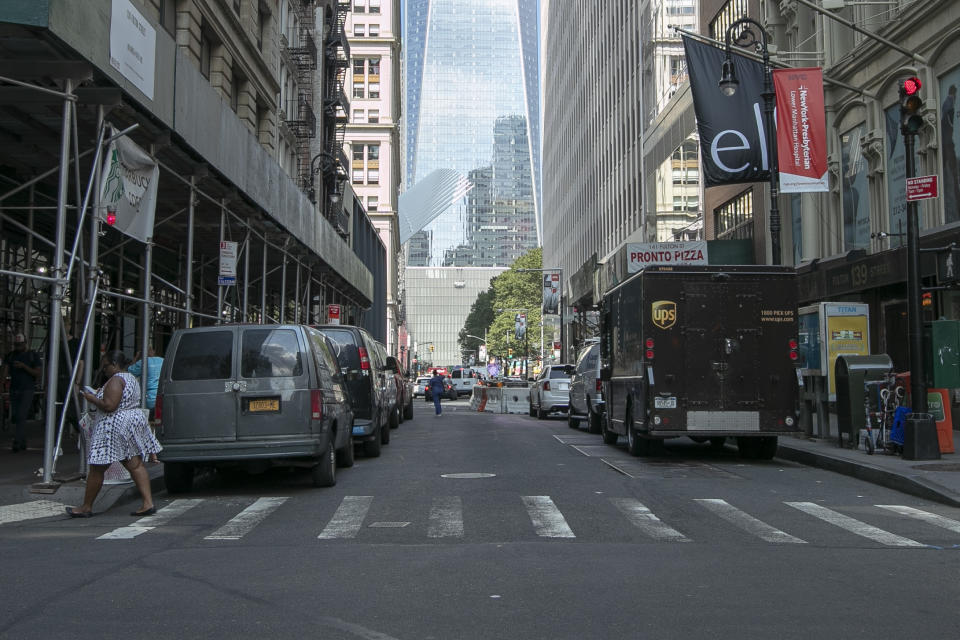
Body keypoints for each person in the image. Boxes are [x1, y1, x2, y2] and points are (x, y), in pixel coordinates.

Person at [65, 350, 162, 518]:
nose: (104, 370)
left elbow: (110, 406)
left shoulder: (116, 380)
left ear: (115, 364)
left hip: (114, 427)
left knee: (97, 468)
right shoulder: (131, 377)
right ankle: (148, 503)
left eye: (106, 366)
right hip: (130, 423)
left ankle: (86, 507)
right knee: (135, 464)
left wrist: (91, 397)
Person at [3, 333, 41, 452]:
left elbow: (37, 373)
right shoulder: (10, 356)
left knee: (21, 415)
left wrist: (24, 367)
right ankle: (22, 440)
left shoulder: (32, 356)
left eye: (20, 345)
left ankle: (17, 441)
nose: (18, 347)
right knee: (16, 415)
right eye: (16, 345)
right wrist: (2, 382)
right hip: (14, 389)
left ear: (25, 344)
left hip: (27, 389)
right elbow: (5, 371)